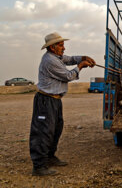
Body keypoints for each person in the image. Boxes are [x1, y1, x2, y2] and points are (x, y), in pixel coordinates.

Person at [30, 32, 96, 176]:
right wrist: (81, 66)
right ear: (52, 47)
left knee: (56, 129)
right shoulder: (49, 60)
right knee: (43, 132)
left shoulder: (57, 57)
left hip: (55, 100)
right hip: (46, 100)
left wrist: (83, 57)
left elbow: (70, 59)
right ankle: (39, 166)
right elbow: (67, 76)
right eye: (61, 45)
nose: (64, 48)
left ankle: (50, 157)